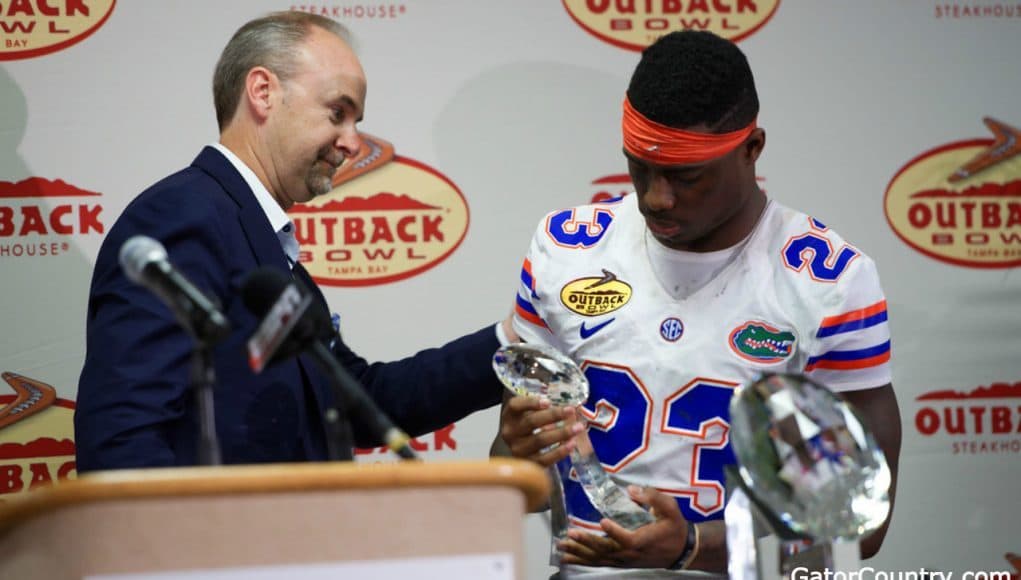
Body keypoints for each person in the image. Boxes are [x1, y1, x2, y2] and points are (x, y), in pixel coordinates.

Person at [493, 30, 901, 577]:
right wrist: (521, 461)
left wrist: (692, 547)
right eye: (640, 167)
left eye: (687, 177)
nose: (656, 198)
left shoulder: (828, 282)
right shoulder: (565, 250)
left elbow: (859, 529)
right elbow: (518, 483)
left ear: (752, 149)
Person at [75, 11, 506, 471]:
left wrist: (511, 341)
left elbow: (364, 398)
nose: (354, 143)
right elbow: (123, 436)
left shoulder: (265, 243)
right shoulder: (184, 216)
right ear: (263, 93)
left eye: (355, 121)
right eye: (337, 113)